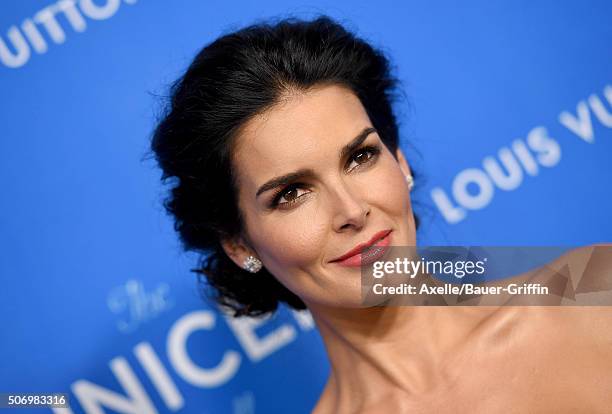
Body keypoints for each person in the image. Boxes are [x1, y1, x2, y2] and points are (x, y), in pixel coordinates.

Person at [150, 15, 612, 413]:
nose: (351, 210)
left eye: (360, 157)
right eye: (292, 193)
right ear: (239, 243)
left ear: (400, 160)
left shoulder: (594, 299)